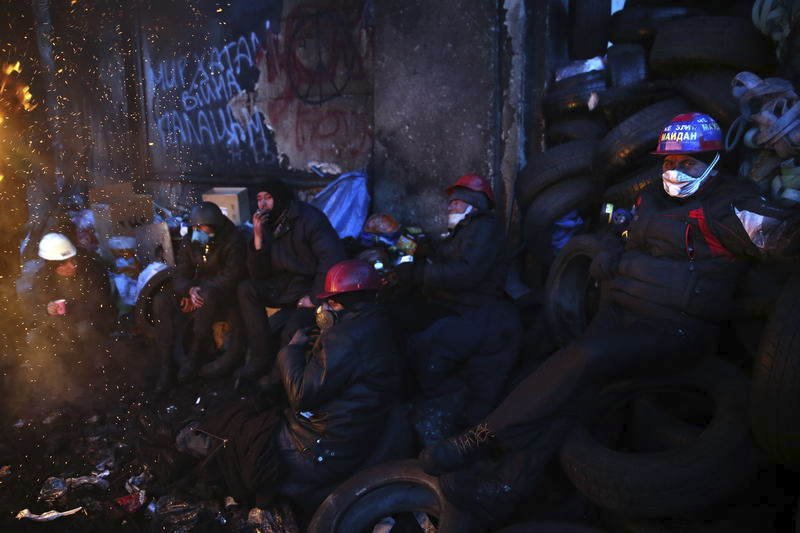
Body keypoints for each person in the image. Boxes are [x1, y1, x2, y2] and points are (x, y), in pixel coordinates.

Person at [419, 113, 800, 523]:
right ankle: (505, 488)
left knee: (584, 360)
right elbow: (621, 237)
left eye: (687, 163)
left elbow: (784, 236)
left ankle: (477, 439)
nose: (675, 171)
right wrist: (608, 254)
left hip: (674, 328)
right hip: (619, 313)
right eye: (669, 162)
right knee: (567, 390)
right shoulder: (650, 197)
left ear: (712, 160)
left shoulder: (730, 207)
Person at [173, 259, 402, 505]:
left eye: (332, 302)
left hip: (316, 447)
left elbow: (301, 394)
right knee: (250, 418)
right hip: (347, 434)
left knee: (242, 437)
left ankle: (188, 439)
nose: (325, 307)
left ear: (350, 301)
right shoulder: (376, 324)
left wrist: (290, 350)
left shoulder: (346, 337)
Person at [395, 174, 521, 446]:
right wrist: (427, 249)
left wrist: (419, 274)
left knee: (431, 347)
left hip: (477, 310)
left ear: (473, 205)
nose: (449, 208)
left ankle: (465, 435)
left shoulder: (485, 229)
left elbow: (467, 272)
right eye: (449, 204)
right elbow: (450, 258)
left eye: (455, 204)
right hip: (457, 305)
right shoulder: (466, 230)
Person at [235, 179, 345, 381]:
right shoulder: (267, 224)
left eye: (268, 198)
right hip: (282, 286)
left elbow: (332, 258)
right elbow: (258, 274)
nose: (263, 204)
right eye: (259, 199)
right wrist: (258, 238)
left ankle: (277, 379)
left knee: (290, 332)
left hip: (307, 287)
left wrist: (315, 297)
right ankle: (260, 358)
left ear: (280, 198)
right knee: (246, 289)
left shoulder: (309, 219)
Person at [151, 202, 245, 393]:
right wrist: (188, 290)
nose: (198, 230)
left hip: (223, 293)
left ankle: (195, 353)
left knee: (206, 296)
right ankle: (165, 365)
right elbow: (180, 273)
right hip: (198, 289)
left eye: (202, 227)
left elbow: (231, 276)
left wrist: (198, 290)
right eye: (195, 227)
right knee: (162, 300)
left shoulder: (233, 240)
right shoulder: (192, 240)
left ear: (215, 226)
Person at [27, 232, 114, 349]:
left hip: (92, 320)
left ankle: (98, 363)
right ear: (51, 265)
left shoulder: (93, 269)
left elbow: (98, 303)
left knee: (84, 330)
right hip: (61, 324)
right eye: (64, 263)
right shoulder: (42, 277)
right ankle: (56, 365)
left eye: (72, 260)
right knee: (34, 337)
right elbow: (35, 305)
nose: (72, 266)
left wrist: (68, 311)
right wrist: (47, 309)